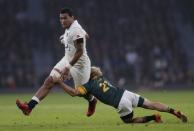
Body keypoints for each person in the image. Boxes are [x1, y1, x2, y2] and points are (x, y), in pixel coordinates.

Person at [16, 7, 97, 117]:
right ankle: (29, 107)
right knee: (50, 80)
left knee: (80, 93)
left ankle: (92, 100)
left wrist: (68, 67)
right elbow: (86, 36)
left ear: (72, 18)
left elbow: (80, 51)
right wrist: (65, 39)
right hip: (67, 59)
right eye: (61, 18)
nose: (62, 21)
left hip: (80, 65)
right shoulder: (71, 28)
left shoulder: (76, 30)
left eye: (65, 18)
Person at [57, 66, 188, 123]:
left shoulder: (87, 86)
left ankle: (154, 118)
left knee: (129, 121)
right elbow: (93, 70)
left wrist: (60, 83)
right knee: (151, 103)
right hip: (125, 93)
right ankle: (174, 111)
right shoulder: (99, 77)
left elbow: (74, 93)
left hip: (121, 102)